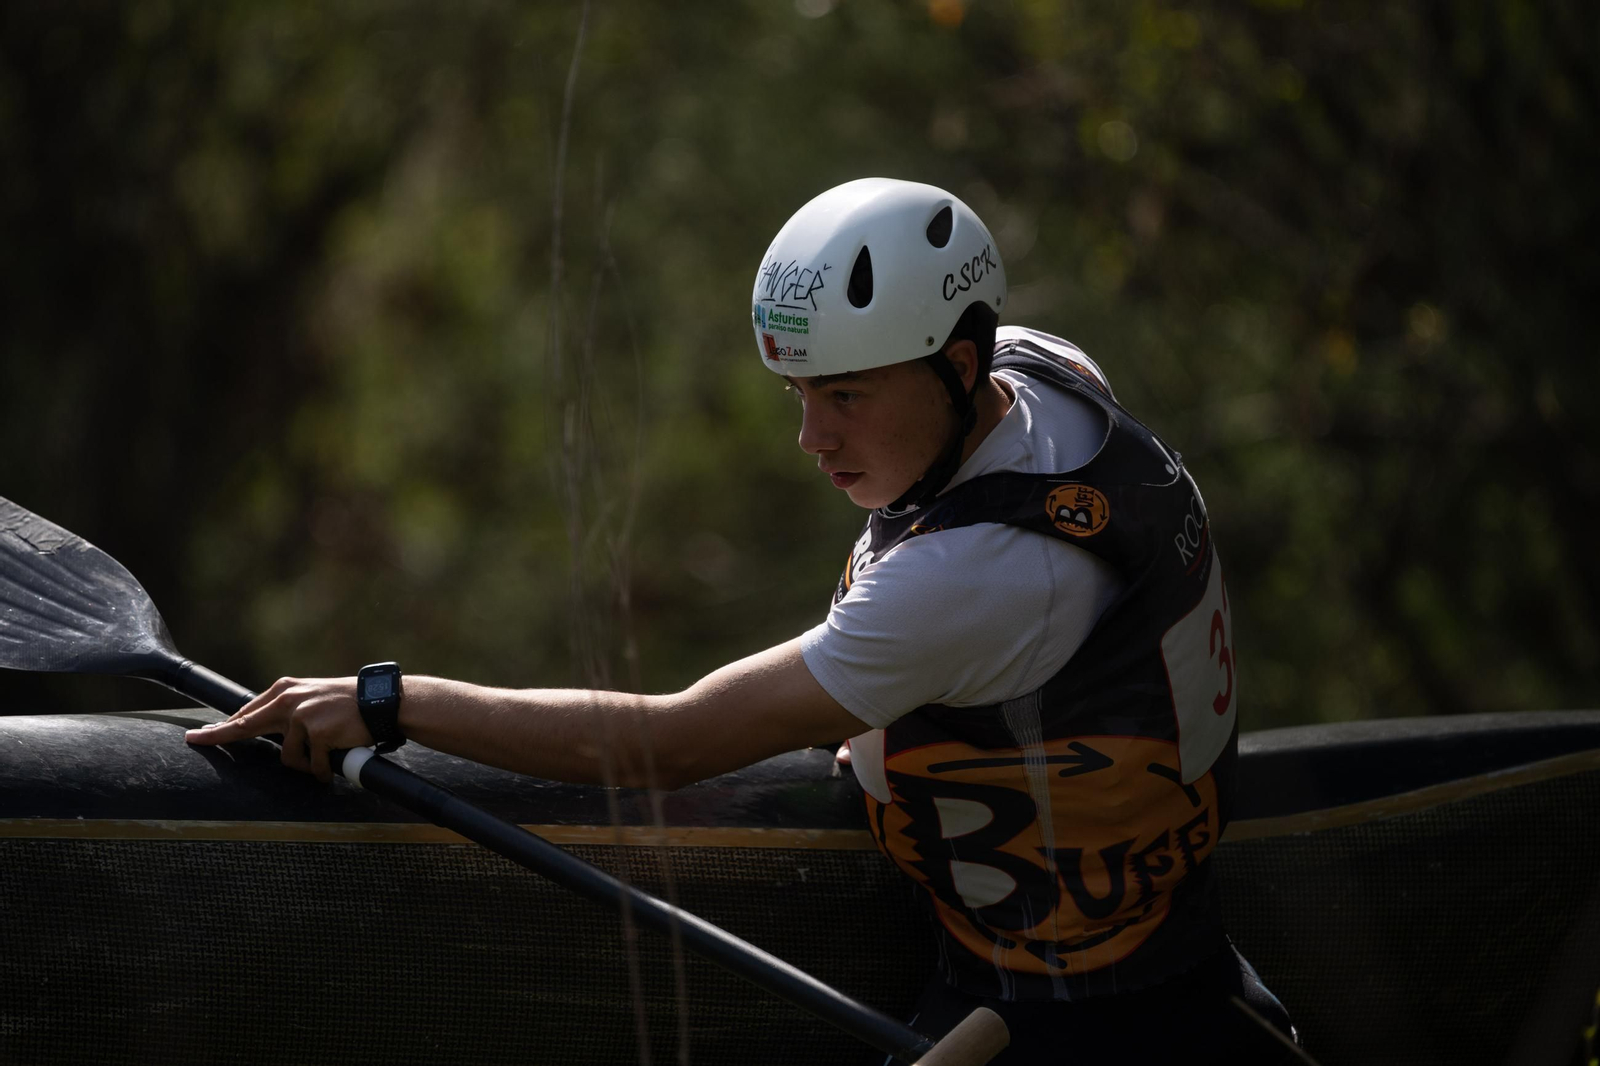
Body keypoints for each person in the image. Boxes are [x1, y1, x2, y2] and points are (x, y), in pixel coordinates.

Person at [188, 177, 1296, 1062]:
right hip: (1115, 952)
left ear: (957, 365)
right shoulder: (1041, 375)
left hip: (1087, 1016)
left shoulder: (985, 575)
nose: (809, 438)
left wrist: (392, 699)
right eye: (797, 394)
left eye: (845, 396)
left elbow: (661, 742)